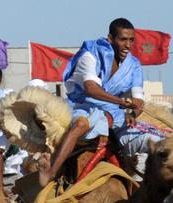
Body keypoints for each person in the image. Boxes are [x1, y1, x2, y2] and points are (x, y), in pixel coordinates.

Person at [36, 18, 145, 186]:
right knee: (80, 125)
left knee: (158, 142)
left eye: (131, 40)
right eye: (123, 39)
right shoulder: (90, 53)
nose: (128, 45)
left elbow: (139, 100)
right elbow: (90, 88)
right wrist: (121, 102)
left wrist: (133, 112)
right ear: (110, 38)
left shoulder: (134, 65)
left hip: (114, 113)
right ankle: (51, 171)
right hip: (83, 105)